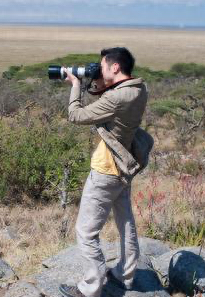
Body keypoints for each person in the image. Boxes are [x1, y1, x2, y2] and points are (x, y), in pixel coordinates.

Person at [59, 47, 149, 297]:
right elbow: (107, 97)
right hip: (124, 166)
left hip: (106, 170)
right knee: (125, 221)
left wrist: (76, 84)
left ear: (115, 68)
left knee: (86, 231)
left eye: (103, 66)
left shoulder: (118, 97)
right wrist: (98, 81)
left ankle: (91, 287)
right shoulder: (139, 89)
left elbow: (76, 115)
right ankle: (125, 274)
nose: (100, 69)